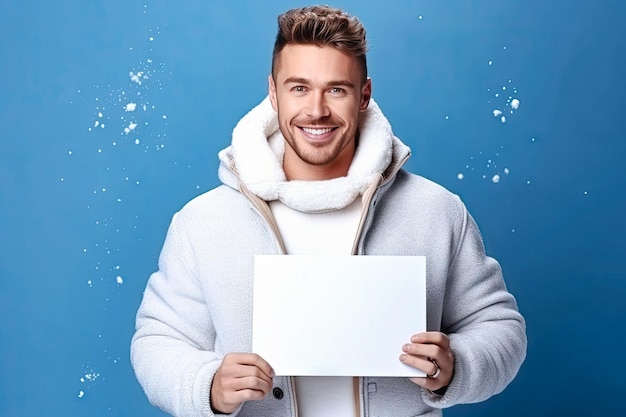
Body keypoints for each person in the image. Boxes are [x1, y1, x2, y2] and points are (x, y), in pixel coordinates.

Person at [130, 5, 527, 417]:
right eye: (299, 88)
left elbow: (501, 328)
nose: (316, 110)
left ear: (364, 96)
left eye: (336, 89)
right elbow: (158, 340)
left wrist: (456, 364)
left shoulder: (436, 211)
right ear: (273, 92)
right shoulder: (203, 221)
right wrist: (207, 384)